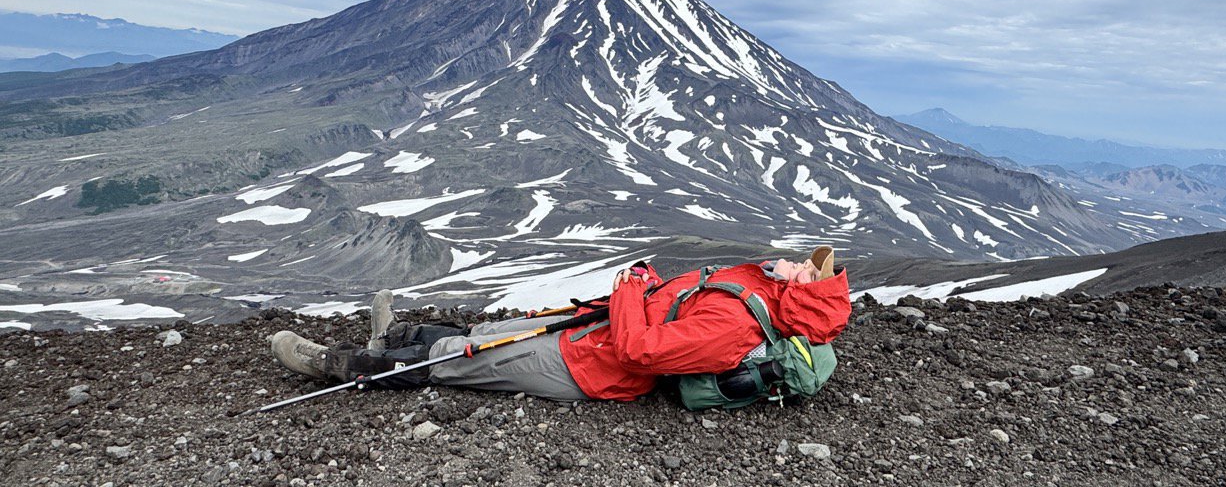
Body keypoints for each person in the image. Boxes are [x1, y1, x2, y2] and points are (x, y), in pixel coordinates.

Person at [270, 246, 851, 402]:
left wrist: (629, 289)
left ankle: (337, 365)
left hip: (593, 366)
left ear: (802, 293)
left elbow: (642, 352)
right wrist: (642, 290)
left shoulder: (737, 324)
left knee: (457, 364)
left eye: (808, 269)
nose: (802, 261)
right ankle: (389, 337)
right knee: (480, 339)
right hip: (588, 333)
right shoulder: (754, 288)